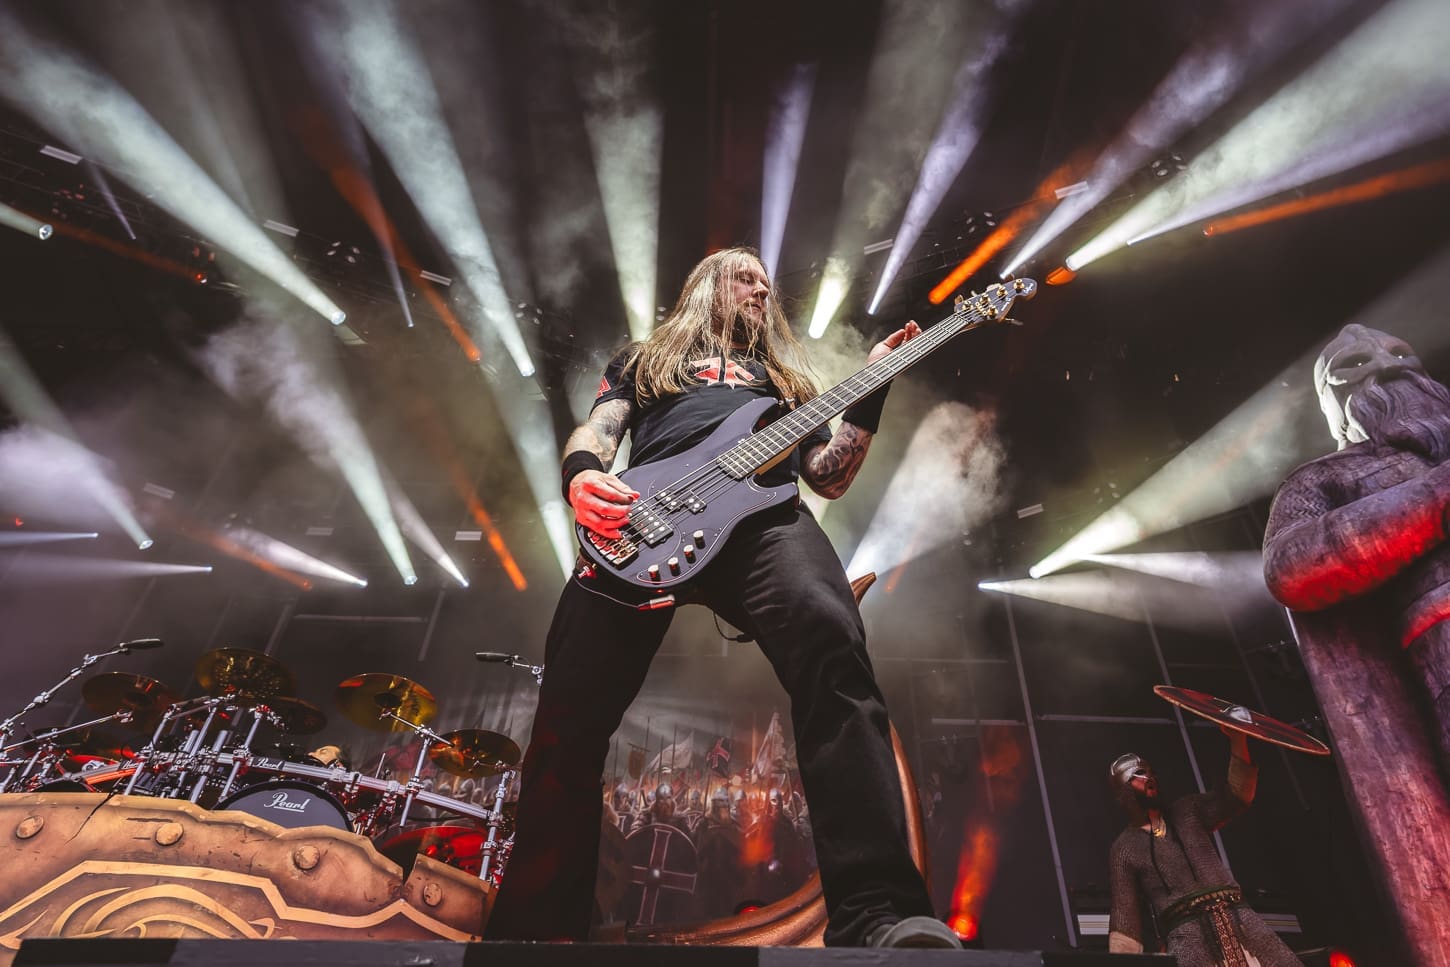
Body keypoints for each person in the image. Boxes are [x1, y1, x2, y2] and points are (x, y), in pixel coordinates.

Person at [483, 246, 956, 948]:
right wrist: (581, 476)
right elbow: (599, 428)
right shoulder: (647, 359)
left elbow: (827, 474)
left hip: (765, 520)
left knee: (834, 645)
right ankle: (536, 934)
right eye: (745, 279)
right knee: (567, 716)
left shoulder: (785, 381)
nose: (762, 290)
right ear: (706, 285)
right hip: (643, 523)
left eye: (767, 283)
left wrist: (873, 386)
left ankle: (876, 913)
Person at [1262, 323, 1450, 771]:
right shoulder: (1325, 477)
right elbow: (1289, 566)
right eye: (1356, 364)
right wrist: (1437, 494)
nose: (1388, 367)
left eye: (1400, 353)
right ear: (1333, 401)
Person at [1106, 732, 1302, 966]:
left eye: (1150, 771)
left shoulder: (1188, 811)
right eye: (1138, 774)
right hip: (1189, 940)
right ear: (1124, 791)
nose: (1148, 777)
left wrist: (1238, 739)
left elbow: (1237, 796)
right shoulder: (1124, 849)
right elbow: (1126, 921)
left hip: (1242, 922)